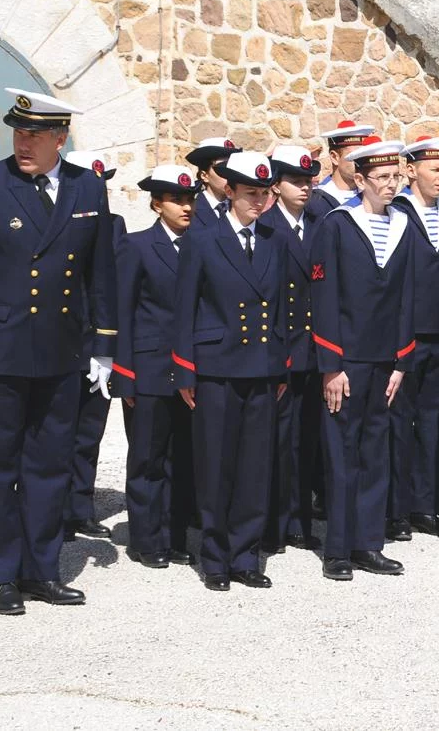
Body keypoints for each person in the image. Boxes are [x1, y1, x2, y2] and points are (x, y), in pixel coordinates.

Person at [0, 88, 116, 614]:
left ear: (61, 138)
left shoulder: (87, 188)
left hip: (60, 354)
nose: (23, 142)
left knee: (50, 466)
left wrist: (103, 346)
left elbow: (101, 273)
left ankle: (41, 570)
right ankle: (0, 574)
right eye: (18, 132)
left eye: (35, 134)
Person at [173, 150, 287, 591]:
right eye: (249, 193)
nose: (258, 202)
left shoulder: (274, 240)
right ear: (230, 191)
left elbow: (280, 309)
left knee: (255, 467)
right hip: (217, 366)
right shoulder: (204, 239)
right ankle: (216, 558)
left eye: (264, 193)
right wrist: (185, 371)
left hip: (260, 366)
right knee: (216, 465)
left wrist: (279, 367)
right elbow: (184, 309)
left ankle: (246, 556)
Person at [309, 137, 416, 581]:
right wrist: (331, 364)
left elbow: (408, 296)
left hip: (384, 359)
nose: (392, 185)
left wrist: (401, 362)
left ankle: (368, 543)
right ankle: (338, 548)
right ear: (360, 179)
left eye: (396, 177)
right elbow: (324, 295)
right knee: (342, 452)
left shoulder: (403, 226)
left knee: (376, 452)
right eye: (383, 178)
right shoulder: (337, 224)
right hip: (347, 359)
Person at [110, 164, 200, 569]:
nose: (185, 207)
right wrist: (124, 374)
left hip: (189, 372)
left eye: (189, 199)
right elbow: (123, 312)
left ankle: (175, 536)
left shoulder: (202, 244)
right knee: (147, 457)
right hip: (148, 369)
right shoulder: (137, 246)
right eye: (176, 200)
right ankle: (145, 540)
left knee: (182, 458)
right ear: (156, 204)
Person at [388, 136, 439, 541]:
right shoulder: (397, 213)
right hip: (406, 336)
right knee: (400, 422)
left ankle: (429, 506)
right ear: (411, 170)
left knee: (435, 422)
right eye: (435, 169)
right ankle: (397, 509)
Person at [259, 145, 324, 554]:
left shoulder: (321, 223)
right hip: (281, 351)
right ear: (276, 186)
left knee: (307, 439)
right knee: (276, 442)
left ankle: (300, 520)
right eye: (295, 182)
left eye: (308, 181)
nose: (304, 188)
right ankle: (272, 524)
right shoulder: (266, 227)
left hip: (315, 352)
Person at [60, 151, 126, 542]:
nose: (98, 190)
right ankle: (49, 509)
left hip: (98, 342)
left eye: (103, 182)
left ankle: (79, 509)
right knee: (54, 433)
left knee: (89, 431)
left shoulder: (115, 226)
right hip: (61, 340)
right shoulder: (57, 221)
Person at [309, 120, 374, 217]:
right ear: (334, 157)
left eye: (363, 156)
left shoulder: (372, 197)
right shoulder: (315, 199)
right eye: (354, 157)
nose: (360, 162)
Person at [186, 137, 238, 229]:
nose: (229, 174)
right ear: (204, 176)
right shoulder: (190, 212)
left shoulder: (241, 207)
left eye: (233, 168)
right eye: (222, 168)